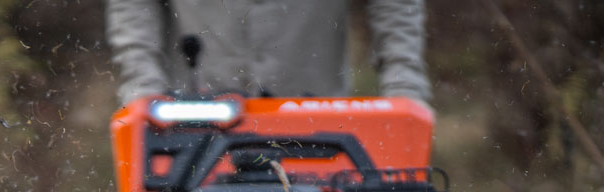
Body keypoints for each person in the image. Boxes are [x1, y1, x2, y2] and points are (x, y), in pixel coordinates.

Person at [106, 0, 431, 107]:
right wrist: (142, 84)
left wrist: (404, 84)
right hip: (193, 110)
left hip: (315, 109)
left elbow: (396, 6)